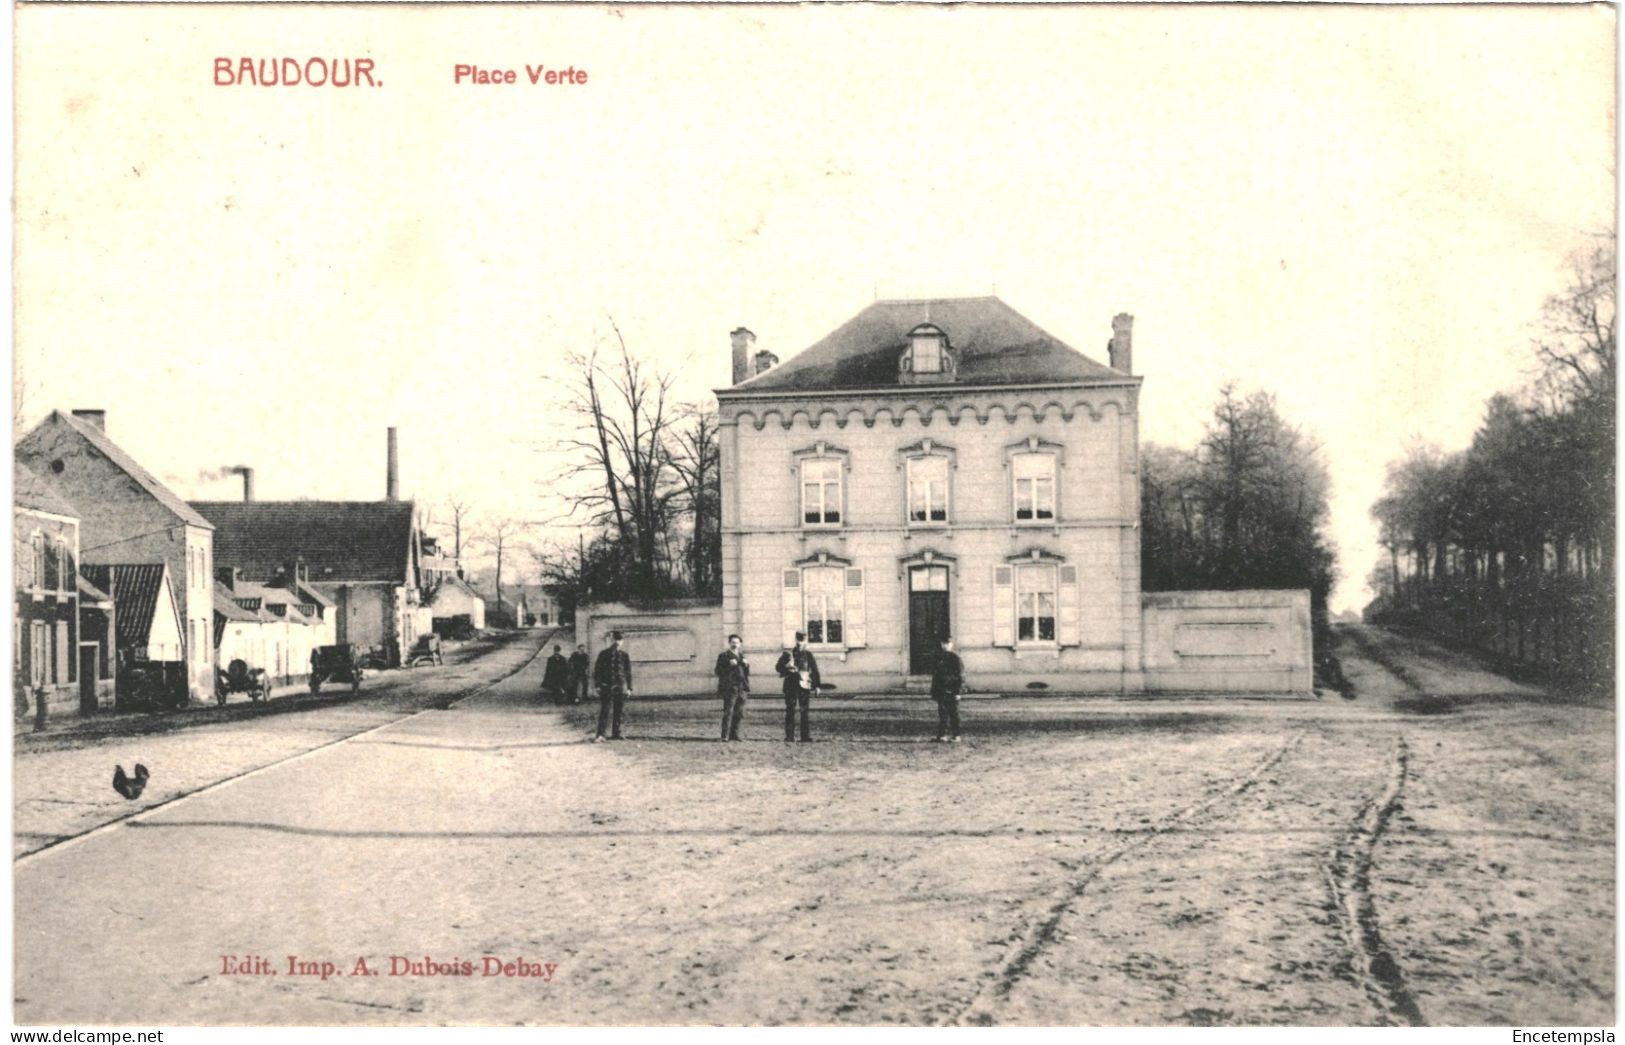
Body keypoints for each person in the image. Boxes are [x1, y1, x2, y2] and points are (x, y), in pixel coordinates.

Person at [775, 631, 821, 743]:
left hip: (804, 686)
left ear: (806, 641)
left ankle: (805, 737)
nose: (800, 642)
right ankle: (789, 737)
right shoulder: (788, 654)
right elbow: (778, 667)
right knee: (790, 711)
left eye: (802, 640)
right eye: (798, 640)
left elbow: (814, 670)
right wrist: (786, 667)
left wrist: (817, 686)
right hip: (790, 685)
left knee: (804, 712)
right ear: (795, 640)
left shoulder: (808, 655)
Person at [592, 631, 633, 742]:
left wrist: (629, 688)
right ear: (611, 640)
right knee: (605, 710)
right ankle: (600, 735)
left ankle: (616, 733)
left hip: (620, 687)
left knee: (618, 711)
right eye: (615, 640)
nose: (617, 642)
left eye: (619, 640)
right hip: (606, 686)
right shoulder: (604, 654)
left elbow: (628, 673)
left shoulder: (624, 656)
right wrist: (597, 685)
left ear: (622, 642)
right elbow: (597, 670)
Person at [714, 634, 750, 741]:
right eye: (733, 642)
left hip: (742, 688)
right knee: (728, 712)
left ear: (740, 644)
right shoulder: (724, 656)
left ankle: (734, 735)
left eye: (737, 642)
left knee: (739, 713)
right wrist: (728, 664)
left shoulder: (742, 656)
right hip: (730, 688)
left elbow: (746, 673)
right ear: (729, 643)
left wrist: (747, 665)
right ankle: (725, 735)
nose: (735, 644)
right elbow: (717, 671)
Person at [930, 636, 964, 742]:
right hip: (941, 690)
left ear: (951, 645)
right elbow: (936, 677)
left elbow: (960, 676)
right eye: (943, 644)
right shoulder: (938, 657)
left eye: (947, 644)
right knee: (942, 714)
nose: (945, 646)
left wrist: (958, 691)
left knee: (954, 714)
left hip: (952, 690)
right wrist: (934, 692)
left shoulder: (955, 658)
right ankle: (942, 735)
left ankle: (956, 735)